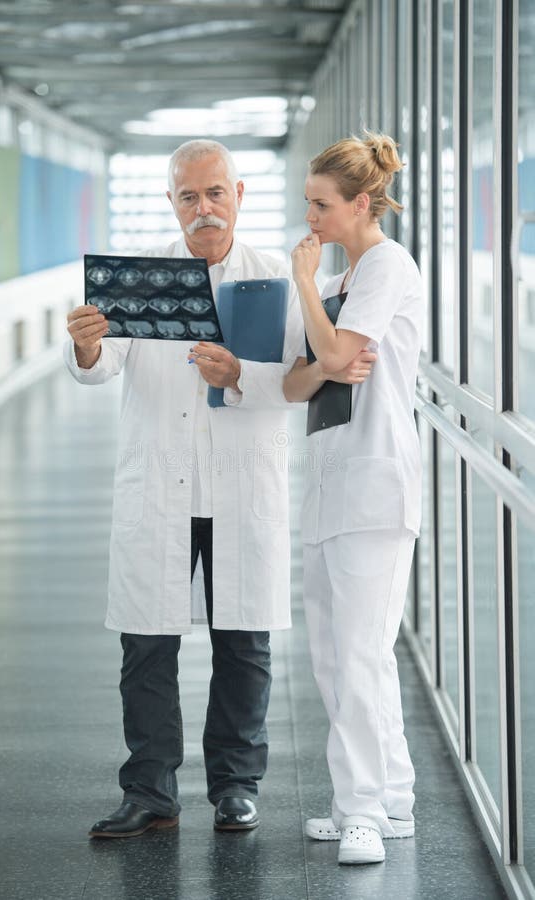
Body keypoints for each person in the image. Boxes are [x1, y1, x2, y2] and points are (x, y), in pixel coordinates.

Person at [64, 139, 312, 838]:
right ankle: (149, 791)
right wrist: (85, 342)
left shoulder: (274, 278)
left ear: (239, 195)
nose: (203, 209)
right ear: (172, 202)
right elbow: (99, 364)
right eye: (188, 197)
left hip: (240, 487)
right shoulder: (140, 276)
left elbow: (300, 380)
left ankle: (236, 785)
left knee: (244, 644)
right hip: (160, 486)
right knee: (146, 646)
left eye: (214, 193)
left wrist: (240, 378)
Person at [283, 132, 423, 865]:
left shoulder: (385, 267)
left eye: (321, 206)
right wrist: (325, 352)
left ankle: (360, 810)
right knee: (339, 656)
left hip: (374, 481)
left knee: (362, 655)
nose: (310, 219)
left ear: (360, 203)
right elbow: (294, 381)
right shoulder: (340, 286)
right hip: (330, 483)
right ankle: (388, 801)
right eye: (308, 204)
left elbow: (332, 356)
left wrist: (307, 293)